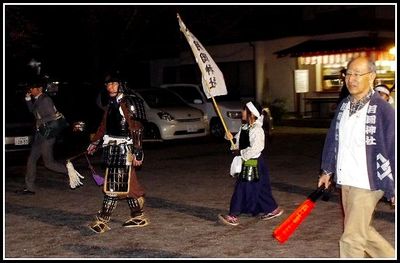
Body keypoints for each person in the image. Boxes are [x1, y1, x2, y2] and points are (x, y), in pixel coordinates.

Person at [317, 57, 395, 258]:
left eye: (357, 74)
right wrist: (327, 170)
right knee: (362, 231)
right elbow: (333, 139)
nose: (351, 79)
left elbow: (393, 146)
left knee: (351, 238)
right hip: (346, 179)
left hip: (368, 181)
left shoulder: (384, 110)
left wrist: (394, 187)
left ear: (372, 77)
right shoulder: (343, 105)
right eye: (348, 74)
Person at [86, 73, 148, 233]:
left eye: (113, 84)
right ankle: (138, 216)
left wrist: (138, 151)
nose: (110, 87)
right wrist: (95, 141)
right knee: (127, 186)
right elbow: (104, 125)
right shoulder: (111, 104)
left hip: (123, 149)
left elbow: (136, 128)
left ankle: (102, 220)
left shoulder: (128, 102)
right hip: (112, 148)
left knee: (113, 186)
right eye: (108, 84)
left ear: (121, 85)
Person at [218, 101, 283, 226]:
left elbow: (257, 147)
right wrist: (230, 138)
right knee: (260, 188)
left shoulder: (257, 130)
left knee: (242, 188)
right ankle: (272, 209)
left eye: (244, 110)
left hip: (253, 162)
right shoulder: (246, 127)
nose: (241, 112)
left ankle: (233, 215)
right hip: (252, 162)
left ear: (251, 113)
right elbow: (238, 142)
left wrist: (240, 153)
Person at [16, 76, 69, 195]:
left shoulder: (45, 99)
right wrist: (28, 99)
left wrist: (39, 122)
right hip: (40, 134)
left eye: (32, 88)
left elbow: (53, 116)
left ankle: (71, 172)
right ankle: (30, 188)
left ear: (39, 88)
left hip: (48, 135)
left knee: (49, 163)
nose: (31, 90)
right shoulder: (38, 99)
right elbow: (32, 112)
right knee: (31, 160)